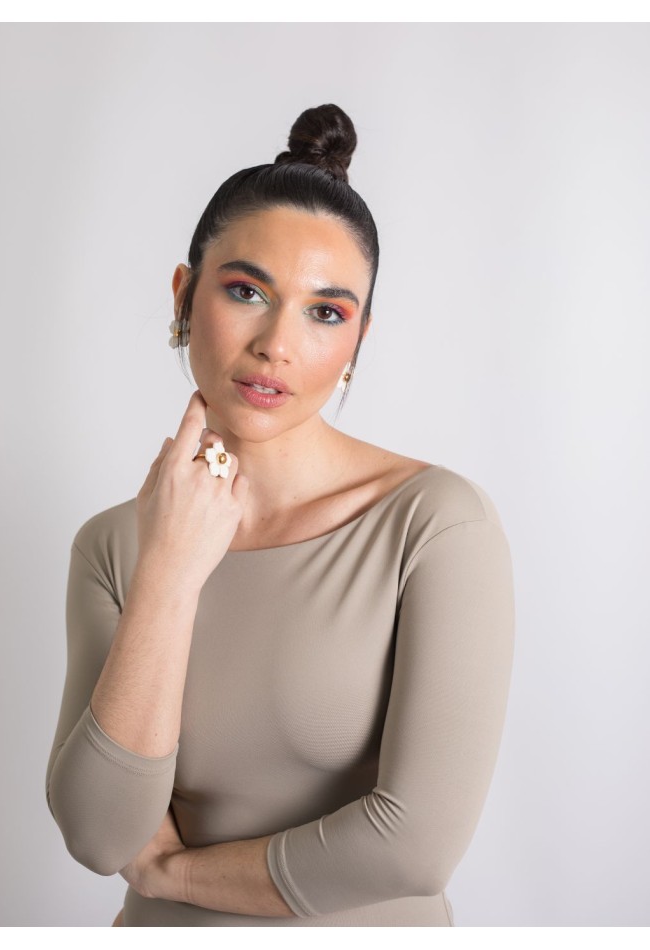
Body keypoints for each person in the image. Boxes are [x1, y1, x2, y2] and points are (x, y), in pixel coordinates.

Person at [45, 103, 515, 927]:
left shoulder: (434, 526)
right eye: (246, 290)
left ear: (359, 340)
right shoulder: (115, 546)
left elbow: (414, 845)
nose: (278, 345)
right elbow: (97, 832)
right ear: (186, 295)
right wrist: (169, 572)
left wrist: (172, 875)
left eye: (325, 312)